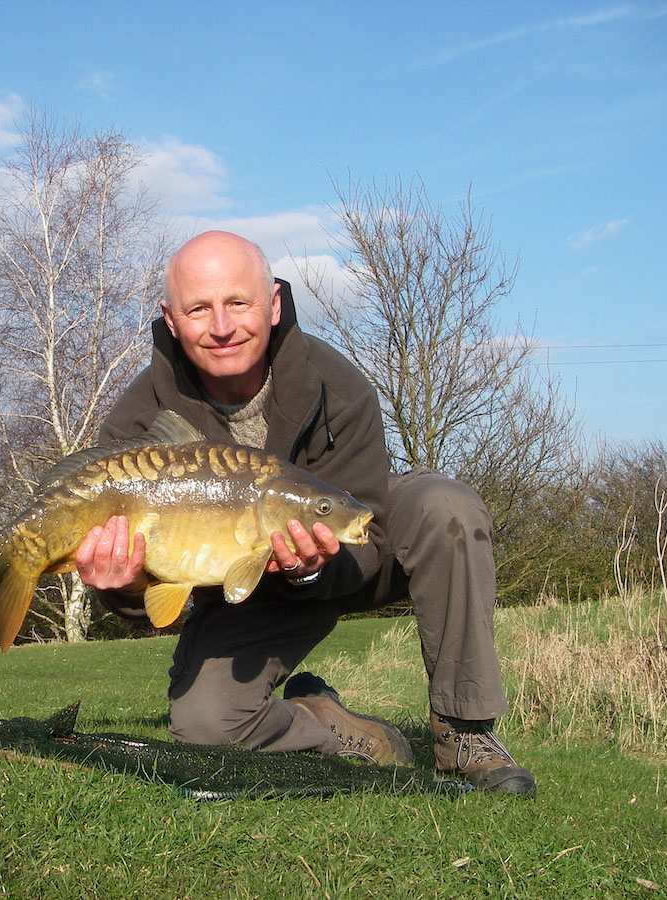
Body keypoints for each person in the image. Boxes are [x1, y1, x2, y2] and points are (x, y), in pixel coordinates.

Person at [73, 230, 535, 796]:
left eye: (238, 302)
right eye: (199, 309)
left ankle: (466, 733)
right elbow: (151, 597)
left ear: (273, 303)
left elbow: (368, 521)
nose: (222, 327)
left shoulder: (338, 387)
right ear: (171, 320)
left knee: (445, 507)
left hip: (351, 551)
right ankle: (330, 729)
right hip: (236, 592)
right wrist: (121, 586)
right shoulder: (138, 421)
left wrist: (311, 567)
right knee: (204, 726)